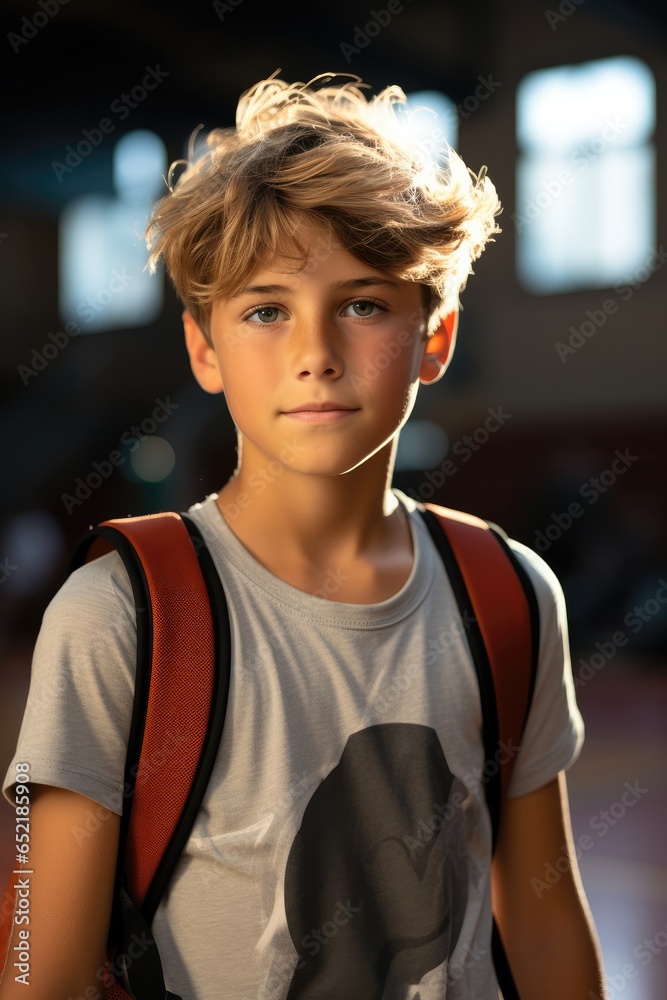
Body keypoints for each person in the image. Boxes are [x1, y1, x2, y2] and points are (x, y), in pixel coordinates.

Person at [0, 71, 606, 999]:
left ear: (433, 335)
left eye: (362, 304)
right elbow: (41, 969)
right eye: (265, 310)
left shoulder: (510, 592)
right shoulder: (118, 615)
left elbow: (543, 915)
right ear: (204, 347)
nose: (314, 350)